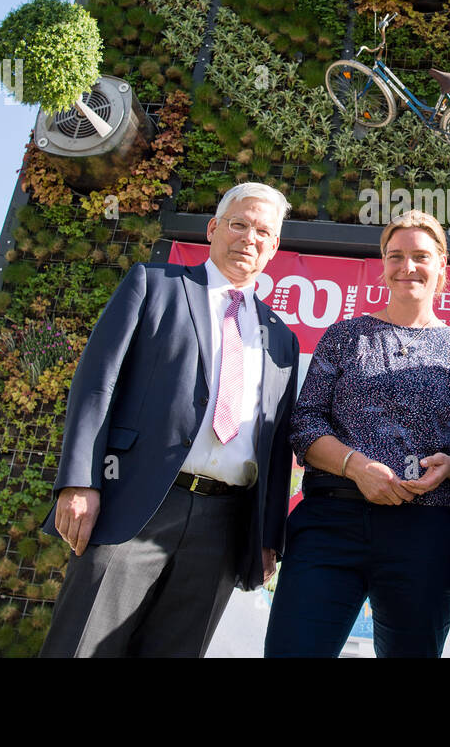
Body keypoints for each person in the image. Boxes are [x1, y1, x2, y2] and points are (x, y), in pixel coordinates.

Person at [39, 182, 300, 657]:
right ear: (213, 228)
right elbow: (97, 386)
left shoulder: (281, 338)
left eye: (263, 231)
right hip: (134, 504)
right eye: (238, 224)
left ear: (274, 247)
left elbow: (278, 443)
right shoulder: (153, 286)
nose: (249, 238)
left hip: (224, 524)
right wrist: (80, 482)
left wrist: (267, 536)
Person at [263, 210, 450, 658]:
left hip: (423, 532)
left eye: (421, 256)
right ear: (382, 264)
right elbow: (305, 423)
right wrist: (357, 467)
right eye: (396, 256)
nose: (408, 267)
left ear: (443, 264)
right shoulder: (345, 336)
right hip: (330, 524)